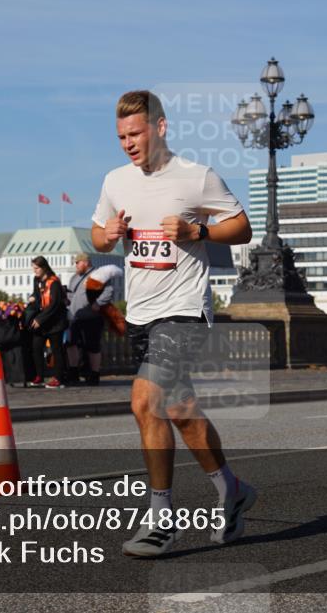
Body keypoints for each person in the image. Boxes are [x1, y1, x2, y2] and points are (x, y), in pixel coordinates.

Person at [91, 90, 255, 557]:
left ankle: (162, 517)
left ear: (160, 127)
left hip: (184, 311)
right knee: (179, 410)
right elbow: (99, 236)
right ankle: (232, 489)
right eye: (121, 136)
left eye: (136, 133)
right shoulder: (115, 181)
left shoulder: (196, 178)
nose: (128, 143)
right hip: (141, 314)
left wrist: (198, 231)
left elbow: (241, 227)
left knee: (146, 403)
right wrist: (112, 234)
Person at [65, 253, 107, 386]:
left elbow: (108, 291)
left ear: (85, 262)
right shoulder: (74, 278)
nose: (75, 265)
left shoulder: (97, 275)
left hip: (91, 317)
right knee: (71, 344)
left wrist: (98, 303)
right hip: (75, 317)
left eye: (77, 263)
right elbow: (70, 294)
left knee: (92, 347)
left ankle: (94, 374)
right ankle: (74, 372)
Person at [28, 256, 68, 389]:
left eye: (37, 268)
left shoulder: (54, 282)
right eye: (33, 268)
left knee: (57, 350)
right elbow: (38, 294)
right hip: (44, 320)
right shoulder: (37, 280)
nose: (35, 271)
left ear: (44, 267)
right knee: (36, 347)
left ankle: (58, 378)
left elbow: (55, 304)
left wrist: (39, 319)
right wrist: (33, 297)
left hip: (55, 321)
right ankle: (39, 376)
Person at [0, 300, 27, 386]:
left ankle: (14, 379)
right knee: (15, 359)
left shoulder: (1, 315)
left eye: (5, 304)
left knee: (13, 360)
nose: (4, 305)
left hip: (6, 340)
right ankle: (17, 379)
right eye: (3, 304)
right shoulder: (4, 314)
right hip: (13, 338)